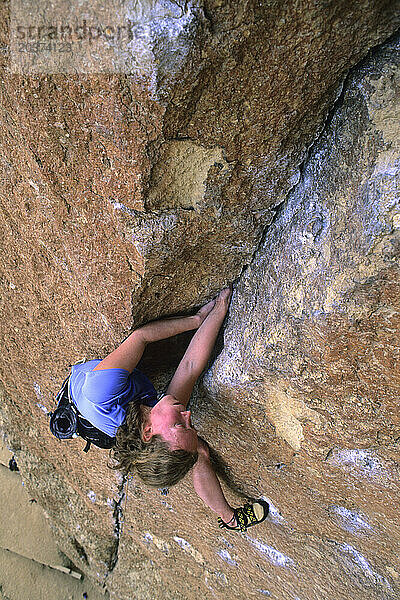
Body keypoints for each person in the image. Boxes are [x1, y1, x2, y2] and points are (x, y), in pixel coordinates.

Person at [68, 286, 269, 532]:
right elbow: (189, 368)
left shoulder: (102, 392)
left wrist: (196, 320)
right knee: (198, 451)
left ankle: (229, 518)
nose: (187, 414)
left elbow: (140, 337)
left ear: (148, 431)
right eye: (187, 423)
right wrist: (220, 308)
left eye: (178, 423)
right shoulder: (161, 417)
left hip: (87, 395)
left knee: (196, 449)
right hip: (120, 418)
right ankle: (232, 519)